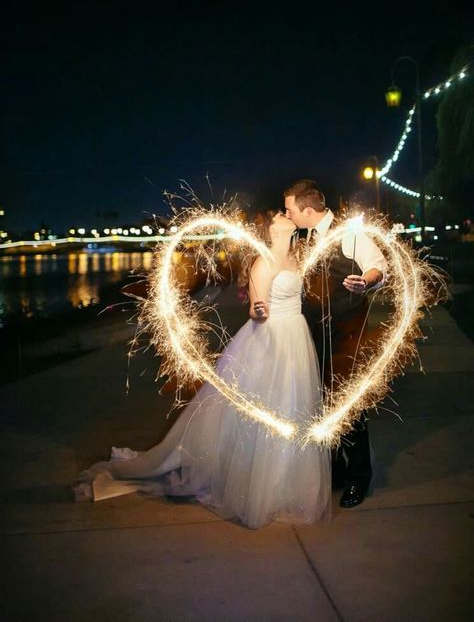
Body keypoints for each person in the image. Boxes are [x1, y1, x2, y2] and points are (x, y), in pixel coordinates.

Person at [74, 210, 331, 529]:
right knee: (267, 408)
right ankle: (260, 488)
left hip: (296, 337)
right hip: (270, 341)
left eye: (284, 211)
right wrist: (261, 310)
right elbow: (255, 307)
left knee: (293, 408)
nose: (282, 213)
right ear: (271, 230)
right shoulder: (263, 262)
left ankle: (287, 485)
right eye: (279, 214)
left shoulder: (296, 257)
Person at [284, 179, 387, 508]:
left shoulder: (348, 233)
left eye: (290, 210)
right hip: (315, 333)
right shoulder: (306, 237)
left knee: (348, 404)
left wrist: (364, 282)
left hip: (344, 333)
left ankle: (359, 477)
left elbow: (378, 266)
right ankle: (337, 468)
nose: (287, 215)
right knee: (323, 401)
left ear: (308, 210)